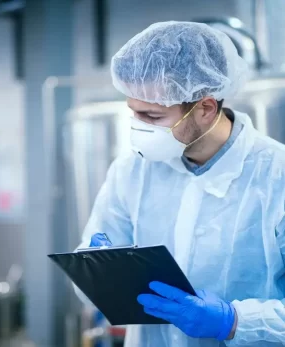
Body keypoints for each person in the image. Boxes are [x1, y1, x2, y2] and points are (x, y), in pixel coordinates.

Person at [75, 21, 285, 347]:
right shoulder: (131, 172)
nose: (137, 127)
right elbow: (88, 281)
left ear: (205, 108)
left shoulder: (277, 177)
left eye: (152, 117)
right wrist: (94, 269)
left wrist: (233, 322)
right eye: (133, 112)